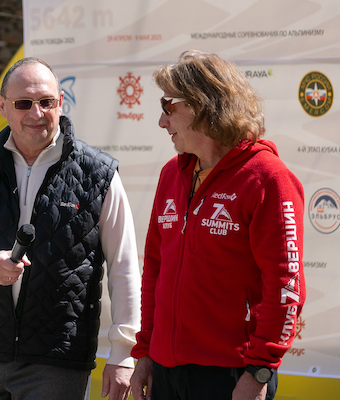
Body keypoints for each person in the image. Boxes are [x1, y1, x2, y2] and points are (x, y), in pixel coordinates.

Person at [0, 57, 141, 400]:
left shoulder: (99, 172)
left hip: (57, 359)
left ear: (61, 102)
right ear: (2, 106)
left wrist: (124, 352)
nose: (36, 113)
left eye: (46, 101)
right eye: (23, 103)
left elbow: (124, 266)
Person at [130, 50, 306, 400]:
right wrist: (146, 350)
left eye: (168, 106)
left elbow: (285, 287)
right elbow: (155, 270)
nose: (162, 121)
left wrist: (259, 371)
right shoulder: (171, 174)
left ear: (203, 105)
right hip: (164, 369)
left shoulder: (268, 178)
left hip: (232, 375)